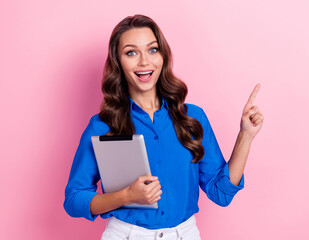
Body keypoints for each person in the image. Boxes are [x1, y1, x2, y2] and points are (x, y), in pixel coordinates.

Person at [63, 14, 264, 240]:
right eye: (131, 52)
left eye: (152, 50)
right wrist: (126, 196)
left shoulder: (192, 118)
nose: (144, 62)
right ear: (118, 61)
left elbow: (221, 193)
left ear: (163, 56)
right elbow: (74, 199)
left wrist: (245, 136)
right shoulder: (102, 125)